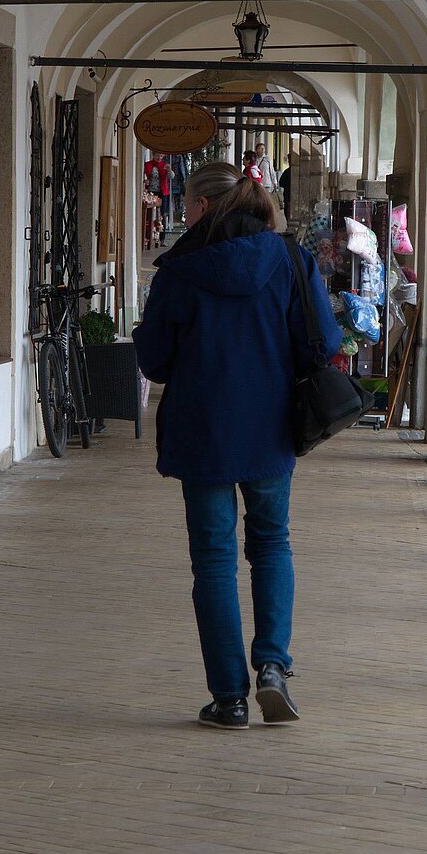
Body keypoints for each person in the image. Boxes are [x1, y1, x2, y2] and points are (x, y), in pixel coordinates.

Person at [132, 162, 342, 730]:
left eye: (187, 204)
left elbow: (154, 360)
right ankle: (272, 665)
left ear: (202, 205)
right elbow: (324, 340)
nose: (184, 213)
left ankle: (229, 698)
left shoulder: (180, 270)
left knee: (214, 560)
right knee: (272, 543)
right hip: (270, 427)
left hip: (202, 431)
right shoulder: (289, 259)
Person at [143, 153, 174, 245]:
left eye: (161, 156)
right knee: (149, 214)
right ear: (153, 155)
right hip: (151, 192)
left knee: (162, 214)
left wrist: (169, 170)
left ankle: (162, 239)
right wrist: (145, 181)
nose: (159, 158)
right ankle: (147, 237)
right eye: (157, 156)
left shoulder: (164, 165)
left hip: (162, 192)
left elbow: (171, 176)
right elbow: (143, 176)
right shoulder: (148, 164)